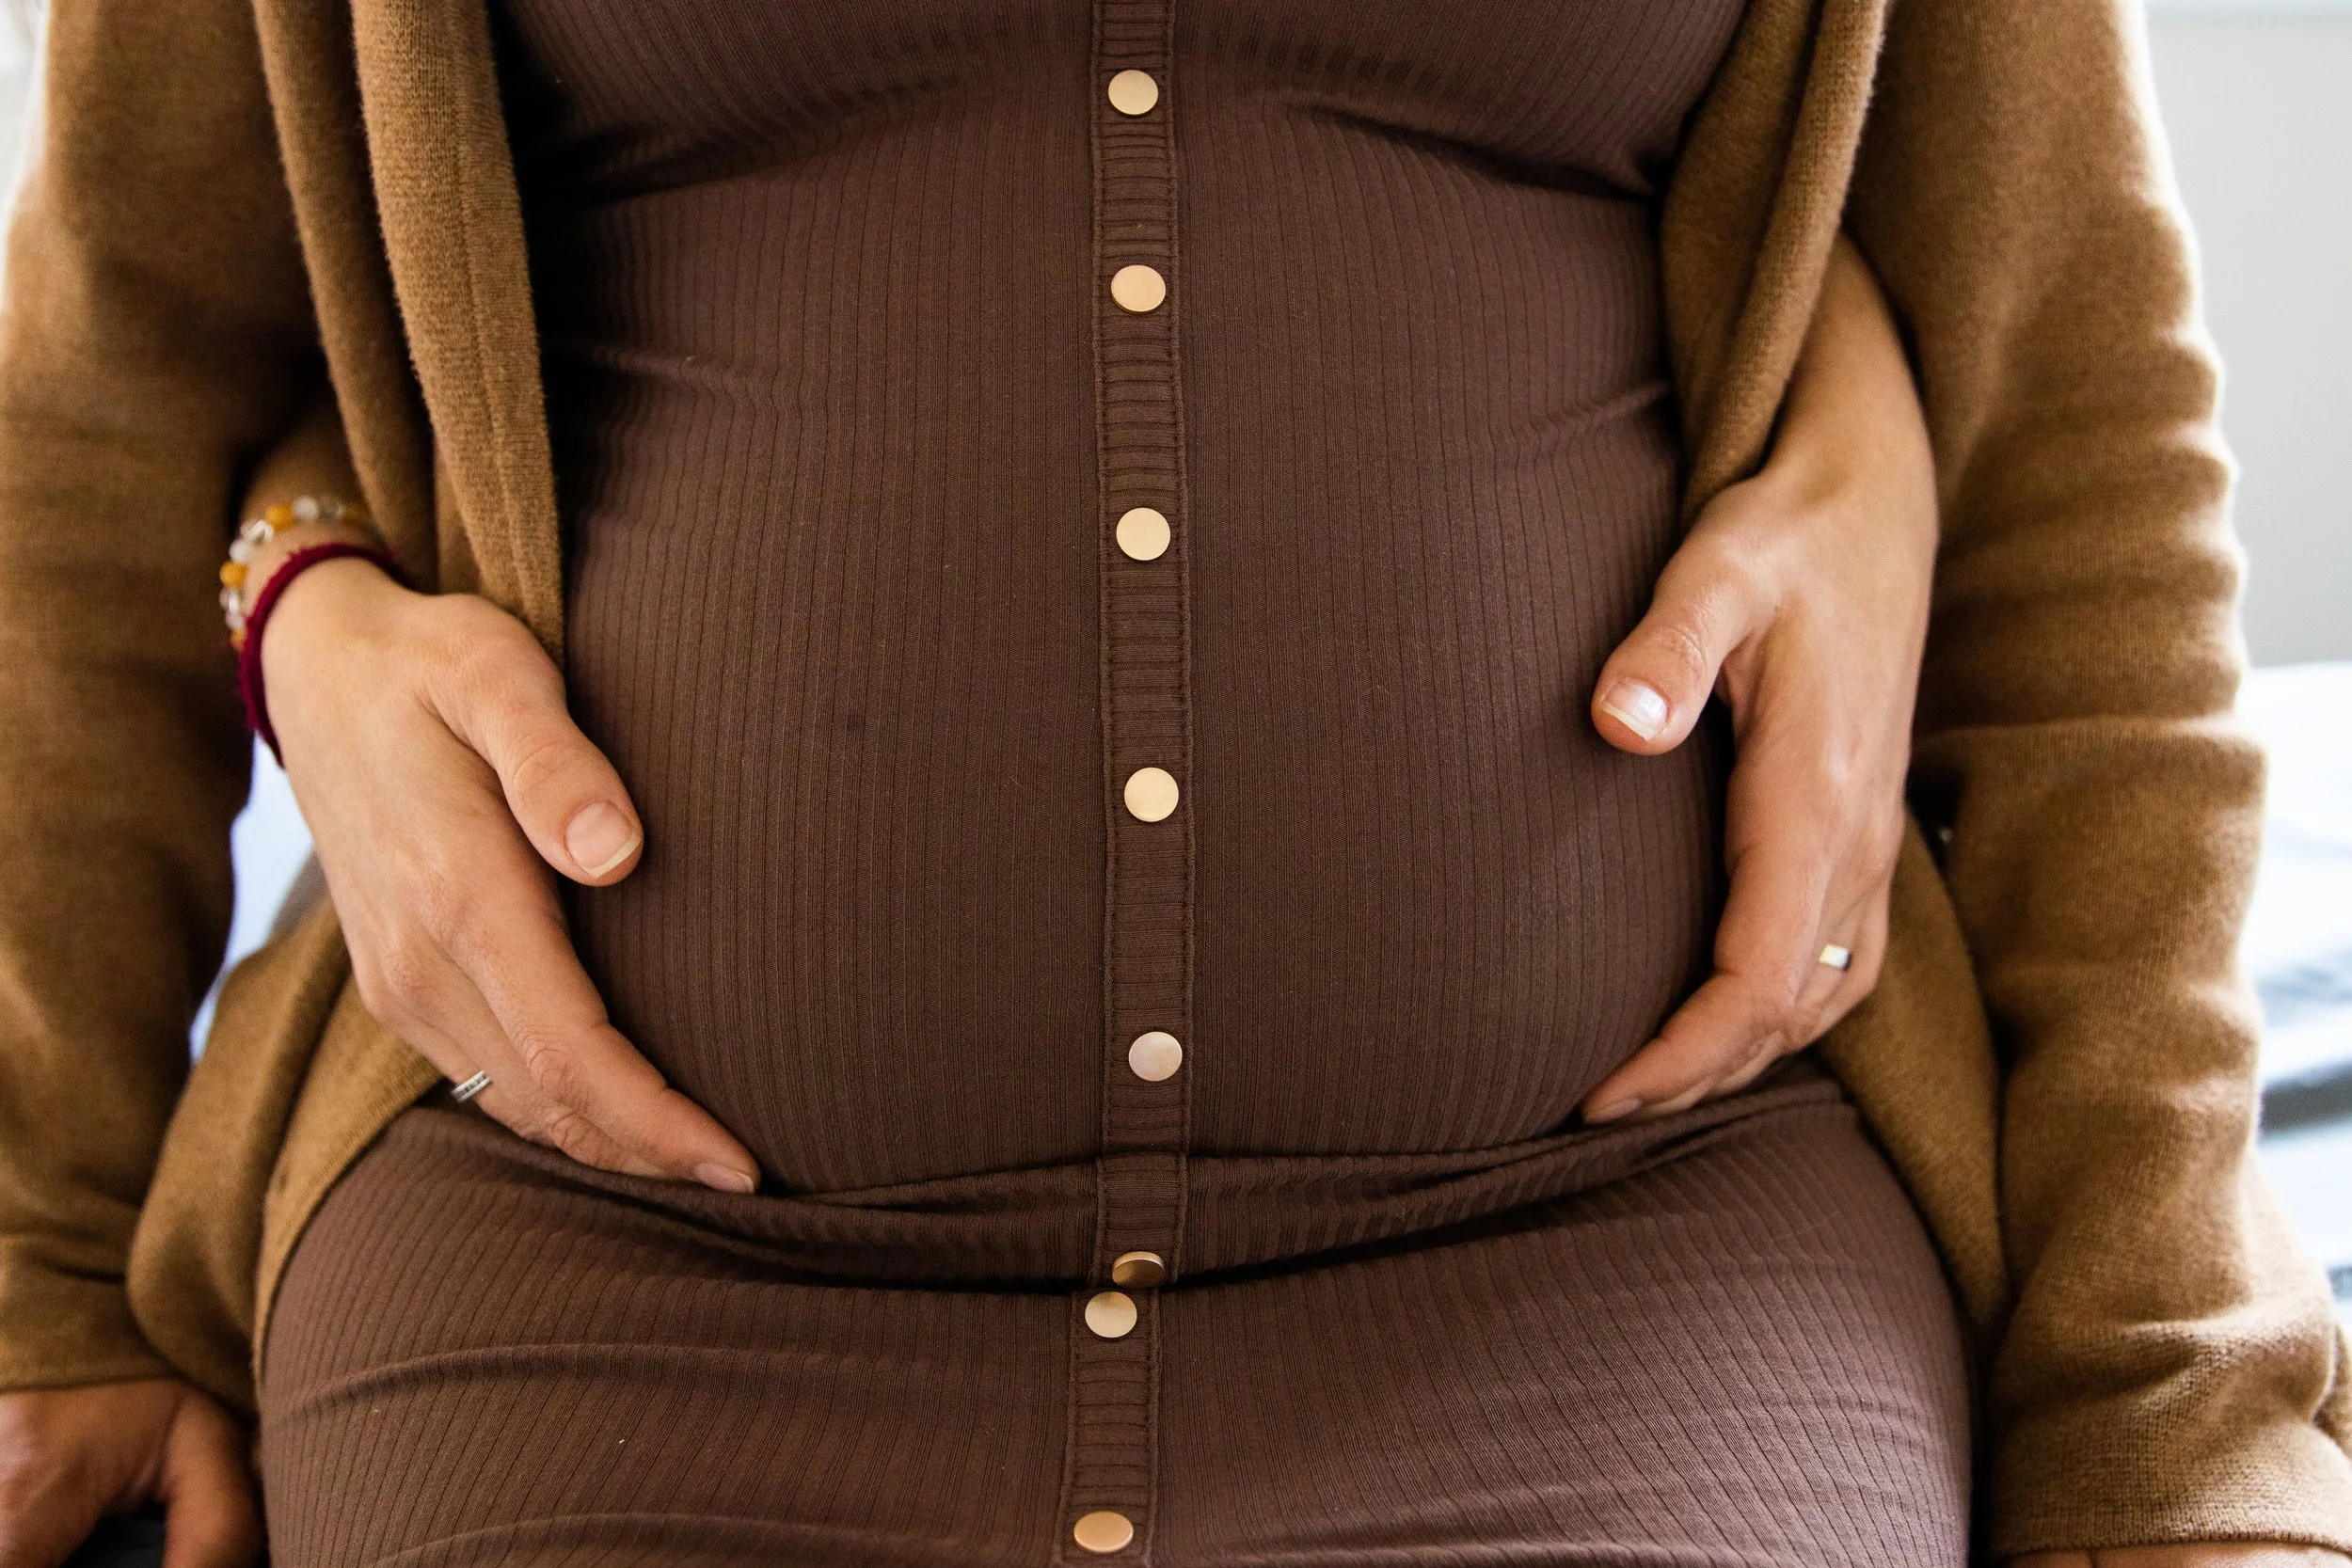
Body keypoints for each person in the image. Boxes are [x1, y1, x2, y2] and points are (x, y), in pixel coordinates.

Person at [0, 1, 2345, 1565]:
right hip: (599, 1254)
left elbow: (2069, 465)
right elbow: (123, 385)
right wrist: (36, 1271)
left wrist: (2163, 1397)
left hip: (1624, 1249)